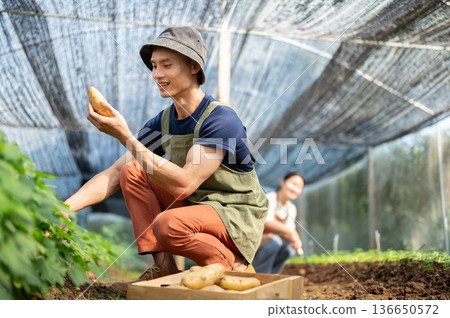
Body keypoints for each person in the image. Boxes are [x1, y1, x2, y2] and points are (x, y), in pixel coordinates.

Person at [62, 26, 269, 291]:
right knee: (131, 171)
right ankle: (164, 268)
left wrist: (125, 136)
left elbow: (185, 184)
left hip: (235, 213)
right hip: (198, 207)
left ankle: (230, 264)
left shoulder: (221, 120)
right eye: (154, 66)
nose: (156, 74)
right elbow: (114, 174)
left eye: (166, 65)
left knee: (167, 224)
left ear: (194, 66)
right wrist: (65, 209)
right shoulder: (163, 122)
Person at [252, 172, 304, 274]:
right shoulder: (269, 198)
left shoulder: (291, 208)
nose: (295, 189)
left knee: (289, 248)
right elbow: (267, 223)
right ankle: (258, 273)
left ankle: (273, 275)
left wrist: (296, 240)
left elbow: (290, 230)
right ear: (283, 182)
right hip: (255, 243)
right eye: (293, 184)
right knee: (275, 241)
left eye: (299, 187)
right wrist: (290, 232)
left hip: (270, 246)